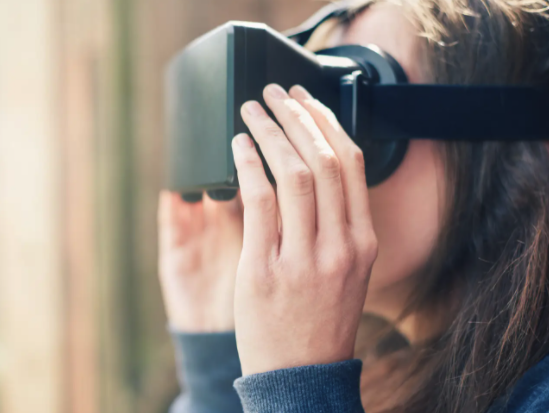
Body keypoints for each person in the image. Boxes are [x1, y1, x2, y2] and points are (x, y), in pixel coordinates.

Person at [157, 0, 549, 412]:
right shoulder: (394, 382)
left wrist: (299, 387)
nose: (318, 154)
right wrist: (216, 376)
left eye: (347, 104)